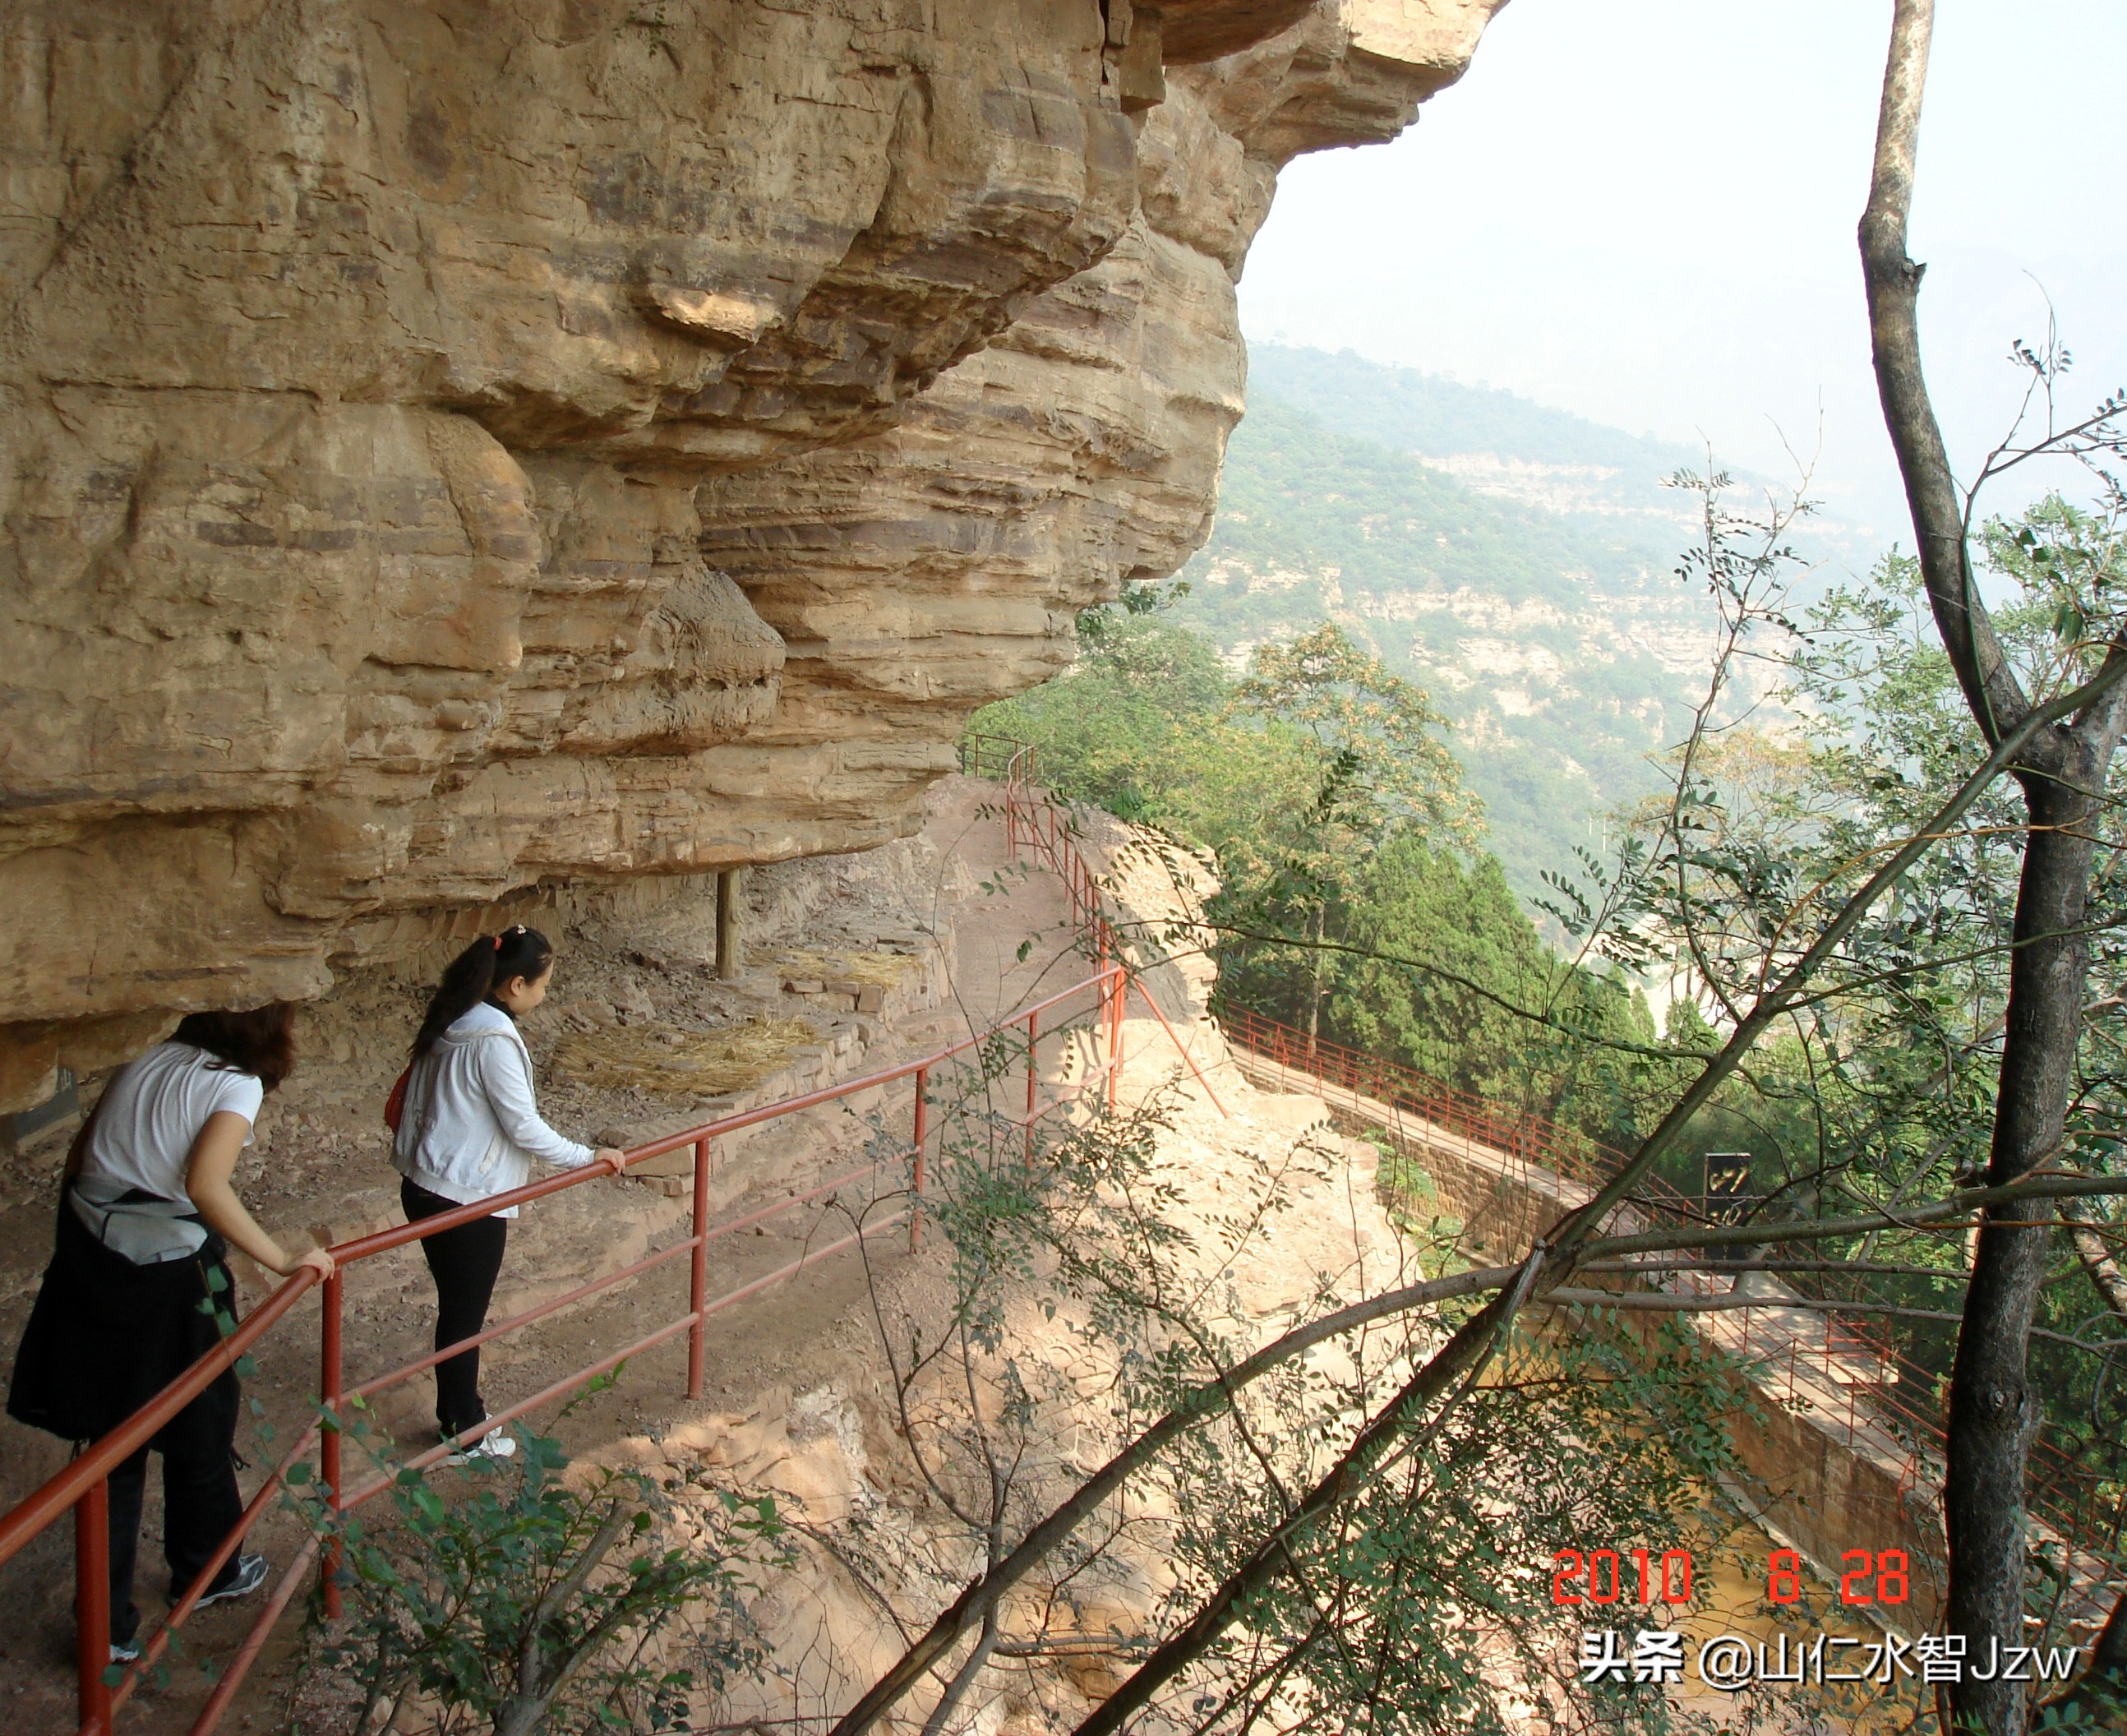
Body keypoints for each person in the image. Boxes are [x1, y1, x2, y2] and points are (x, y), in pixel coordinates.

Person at [7, 1004, 335, 1663]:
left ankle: (104, 1625)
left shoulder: (151, 1053)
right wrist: (282, 1259)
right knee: (202, 1421)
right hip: (167, 1272)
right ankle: (206, 1571)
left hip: (95, 1252)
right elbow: (205, 1185)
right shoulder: (235, 1083)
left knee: (112, 1441)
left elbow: (84, 1151)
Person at [394, 926, 622, 1462]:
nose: (545, 995)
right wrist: (587, 1158)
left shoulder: (455, 1015)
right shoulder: (494, 1039)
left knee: (456, 1308)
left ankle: (462, 1414)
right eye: (543, 986)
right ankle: (464, 1429)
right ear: (516, 984)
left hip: (424, 1181)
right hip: (465, 1193)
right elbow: (523, 1127)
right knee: (463, 1314)